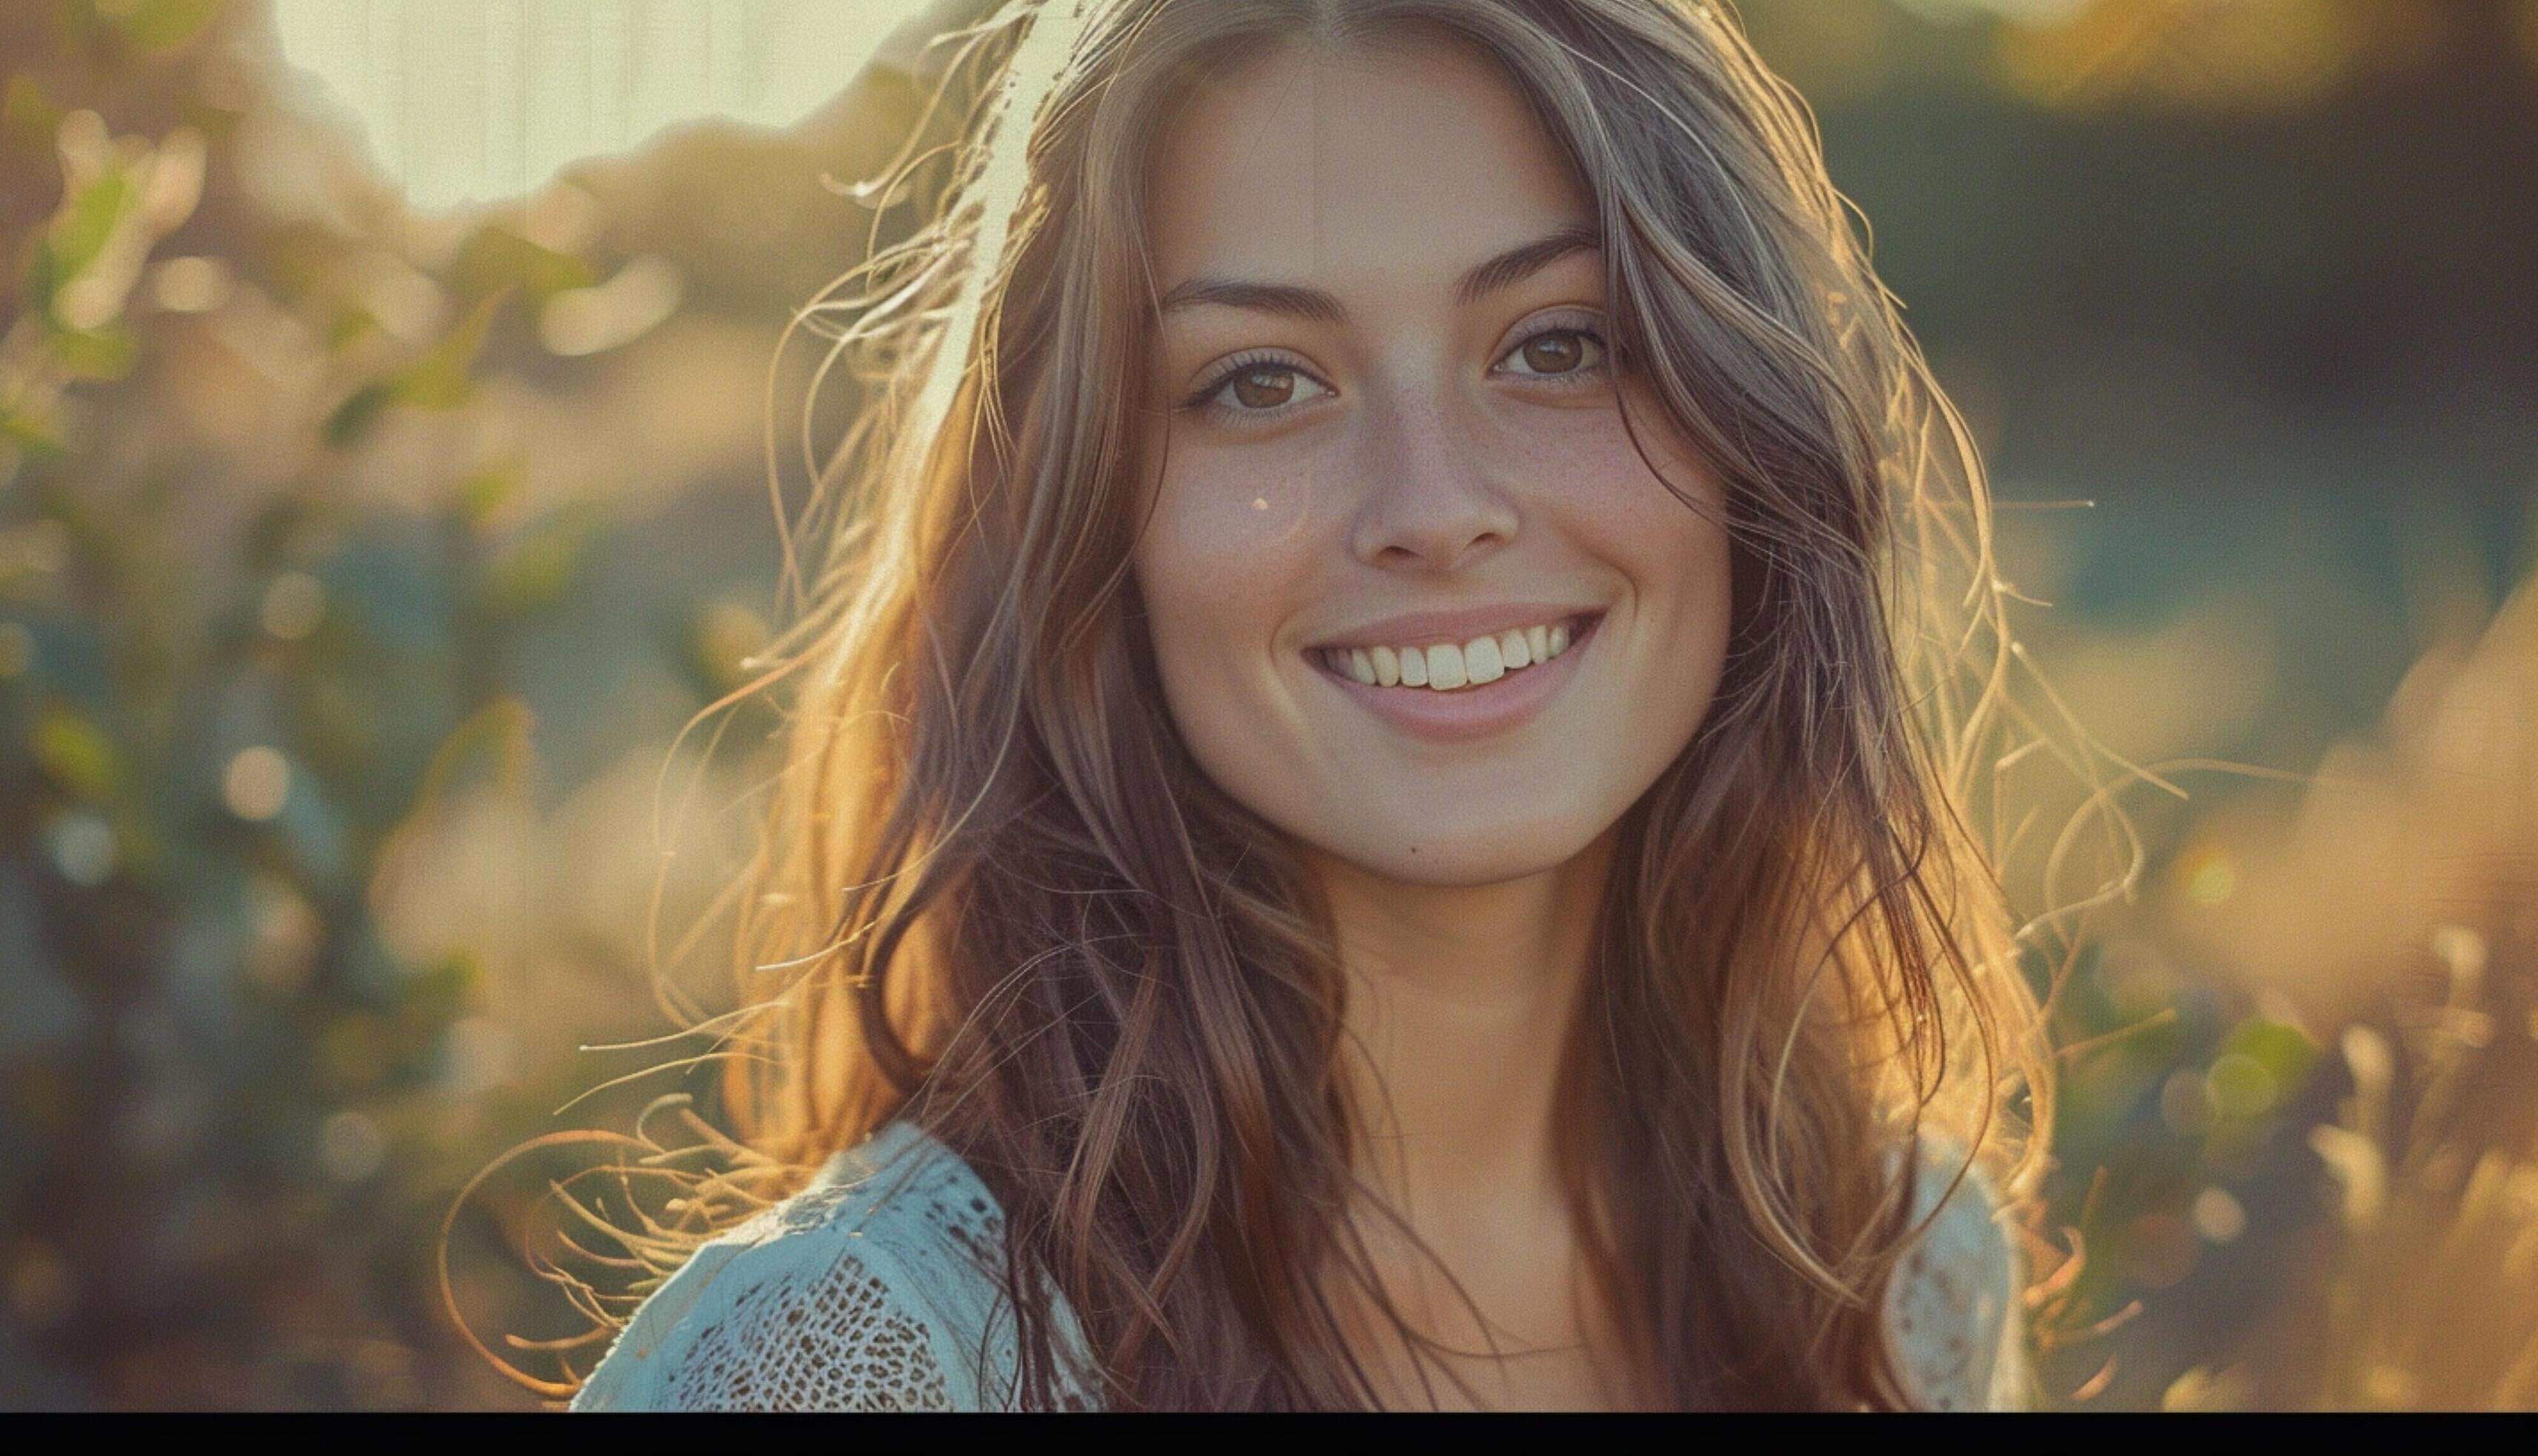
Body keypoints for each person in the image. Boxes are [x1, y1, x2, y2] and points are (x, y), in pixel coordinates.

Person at [557, 0, 2058, 1411]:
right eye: (1263, 380)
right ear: (1084, 527)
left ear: (1754, 437)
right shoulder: (850, 1363)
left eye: (1557, 344)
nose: (1433, 504)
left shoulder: (1905, 1270)